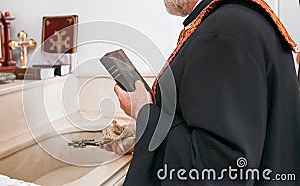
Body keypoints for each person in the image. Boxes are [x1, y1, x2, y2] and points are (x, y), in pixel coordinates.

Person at [103, 0, 300, 185]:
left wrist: (143, 110)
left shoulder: (223, 29)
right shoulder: (238, 18)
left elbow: (218, 169)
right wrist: (144, 135)